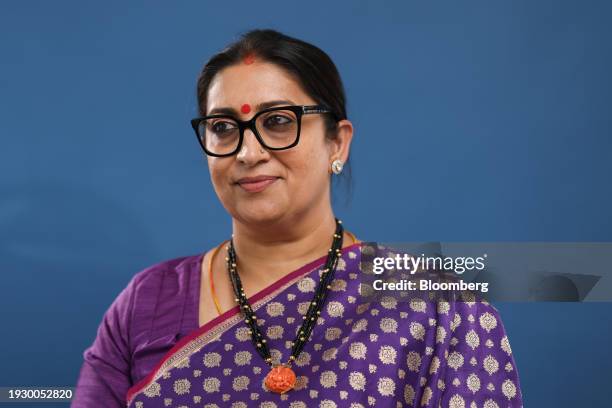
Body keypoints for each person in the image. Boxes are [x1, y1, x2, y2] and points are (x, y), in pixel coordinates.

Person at [72, 29, 523, 408]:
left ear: (337, 144)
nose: (248, 153)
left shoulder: (439, 308)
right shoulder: (147, 302)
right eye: (224, 128)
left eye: (279, 122)